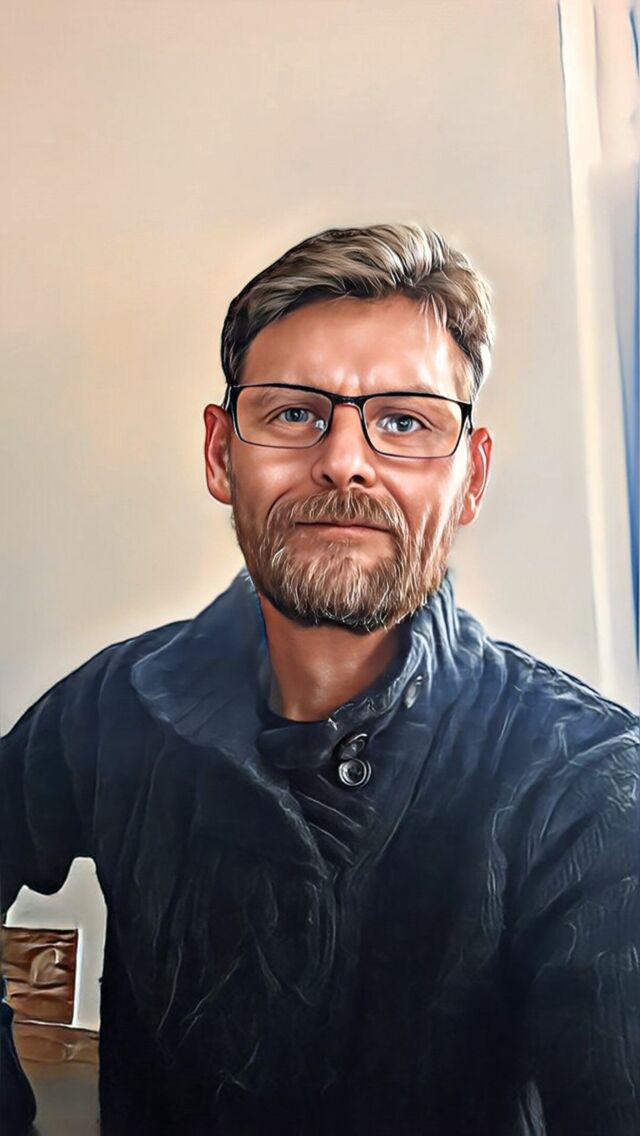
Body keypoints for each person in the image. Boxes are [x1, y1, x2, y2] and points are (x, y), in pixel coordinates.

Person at [1, 223, 638, 1136]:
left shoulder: (592, 780)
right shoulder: (113, 704)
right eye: (295, 413)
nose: (343, 459)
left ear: (470, 478)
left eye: (405, 420)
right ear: (221, 454)